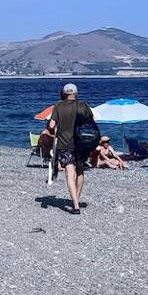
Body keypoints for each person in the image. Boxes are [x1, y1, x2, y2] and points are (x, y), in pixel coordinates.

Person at [46, 83, 96, 215]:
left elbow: (51, 125)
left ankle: (75, 204)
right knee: (79, 171)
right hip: (81, 144)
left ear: (64, 93)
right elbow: (92, 120)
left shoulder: (58, 106)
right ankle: (76, 201)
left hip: (65, 144)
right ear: (76, 93)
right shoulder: (82, 105)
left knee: (69, 173)